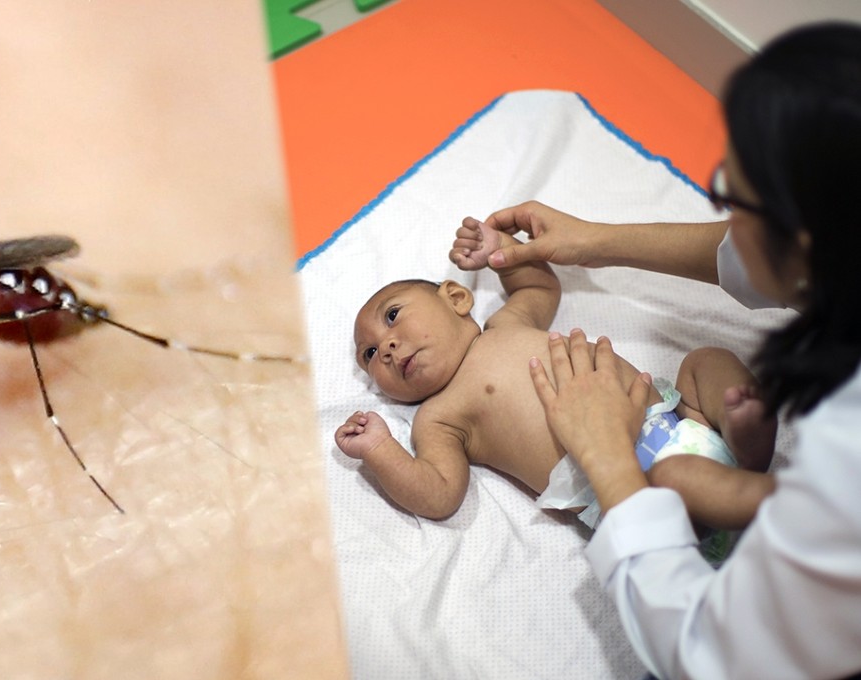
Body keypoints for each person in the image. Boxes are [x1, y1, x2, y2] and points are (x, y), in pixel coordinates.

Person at [489, 22, 861, 679]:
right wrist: (592, 241)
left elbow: (716, 655)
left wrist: (607, 456)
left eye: (733, 196)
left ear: (805, 241)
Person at [334, 217, 774, 531]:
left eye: (392, 316)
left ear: (456, 298)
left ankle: (742, 436)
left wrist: (500, 252)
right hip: (638, 490)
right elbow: (439, 493)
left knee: (704, 361)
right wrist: (380, 450)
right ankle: (746, 480)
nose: (386, 349)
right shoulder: (440, 418)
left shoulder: (506, 324)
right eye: (369, 355)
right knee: (681, 477)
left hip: (683, 420)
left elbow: (539, 286)